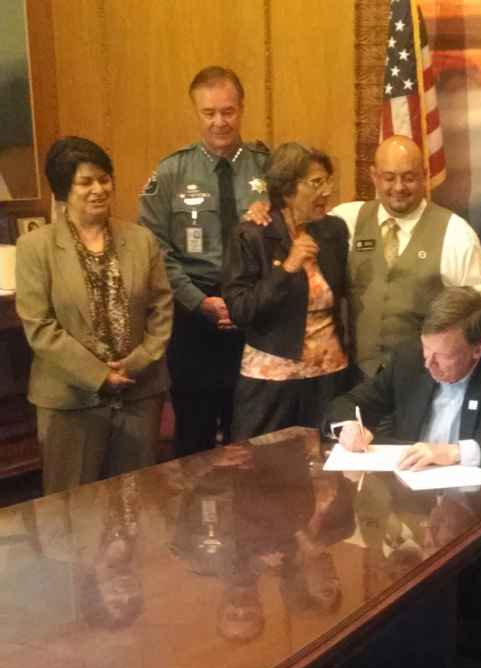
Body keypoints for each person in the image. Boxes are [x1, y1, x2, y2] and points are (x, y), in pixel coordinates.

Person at [247, 135, 481, 377]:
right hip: (358, 379)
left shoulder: (456, 233)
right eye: (389, 178)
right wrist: (267, 207)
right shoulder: (348, 219)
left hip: (425, 380)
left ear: (424, 175)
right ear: (374, 176)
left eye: (409, 178)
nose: (398, 188)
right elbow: (299, 214)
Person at [15, 137, 173, 495]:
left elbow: (161, 307)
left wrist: (137, 363)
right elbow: (40, 327)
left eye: (104, 179)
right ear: (63, 190)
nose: (98, 189)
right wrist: (99, 375)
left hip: (139, 391)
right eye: (85, 182)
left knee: (138, 500)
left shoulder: (141, 239)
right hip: (69, 401)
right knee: (74, 508)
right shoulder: (35, 247)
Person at [139, 65, 269, 457]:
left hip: (256, 315)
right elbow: (155, 248)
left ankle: (252, 518)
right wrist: (199, 301)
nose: (219, 122)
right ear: (195, 112)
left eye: (227, 111)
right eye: (209, 112)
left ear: (242, 109)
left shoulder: (270, 167)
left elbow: (291, 240)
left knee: (249, 435)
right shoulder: (171, 172)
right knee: (193, 437)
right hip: (194, 314)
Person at [325, 286, 481, 471]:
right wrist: (348, 426)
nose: (428, 363)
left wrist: (455, 452)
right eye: (427, 348)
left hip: (472, 507)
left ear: (477, 350)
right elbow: (346, 404)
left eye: (443, 356)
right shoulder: (410, 360)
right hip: (408, 497)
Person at [223, 143, 351, 441]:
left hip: (329, 377)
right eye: (316, 183)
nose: (327, 191)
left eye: (327, 181)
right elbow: (240, 310)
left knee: (327, 476)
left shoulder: (334, 231)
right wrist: (287, 269)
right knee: (267, 475)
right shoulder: (252, 235)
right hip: (272, 380)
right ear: (287, 189)